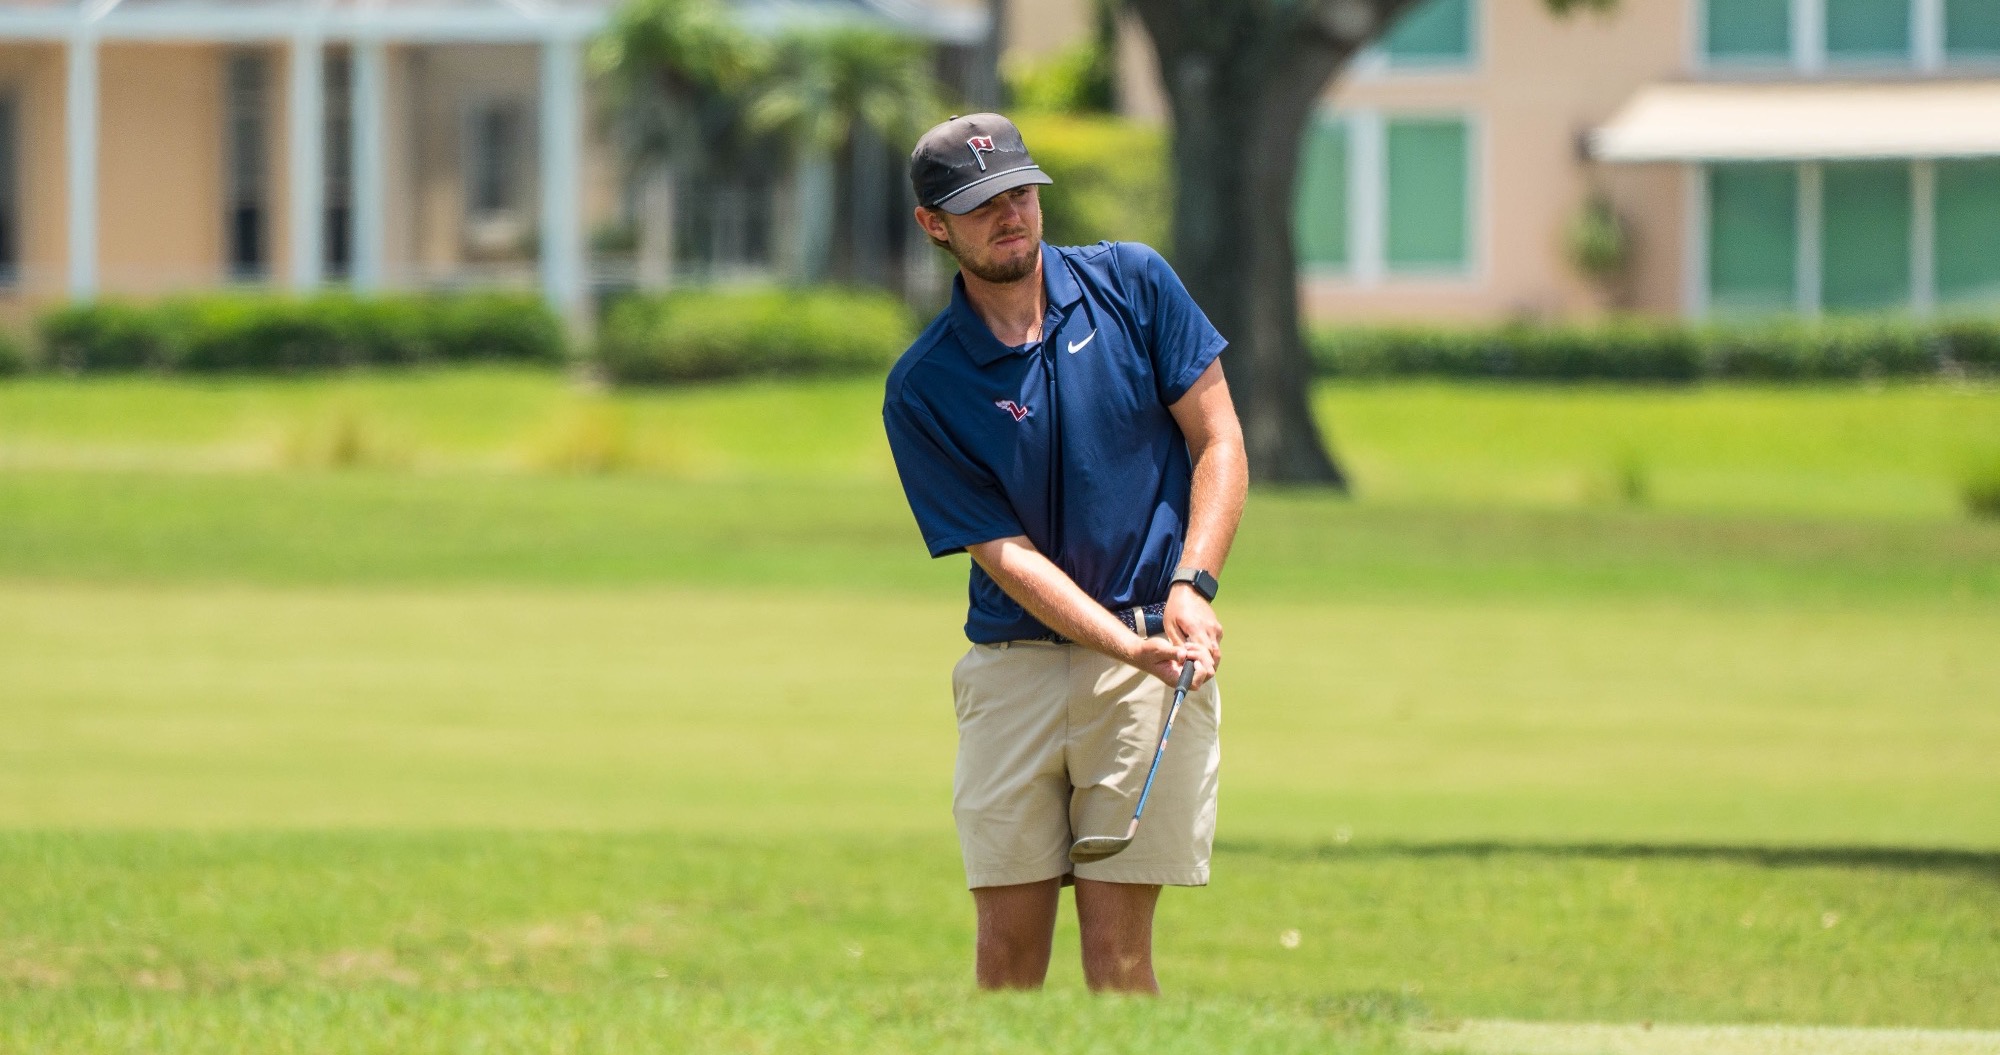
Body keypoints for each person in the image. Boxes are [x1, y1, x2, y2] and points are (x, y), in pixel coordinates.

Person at [882, 113, 1249, 994]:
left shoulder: (1134, 283)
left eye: (1020, 192)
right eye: (982, 205)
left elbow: (1219, 440)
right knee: (1006, 963)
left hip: (1150, 659)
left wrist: (1192, 585)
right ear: (936, 226)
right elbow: (1004, 554)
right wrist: (1125, 642)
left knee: (1118, 959)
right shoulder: (925, 384)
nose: (1010, 214)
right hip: (1016, 669)